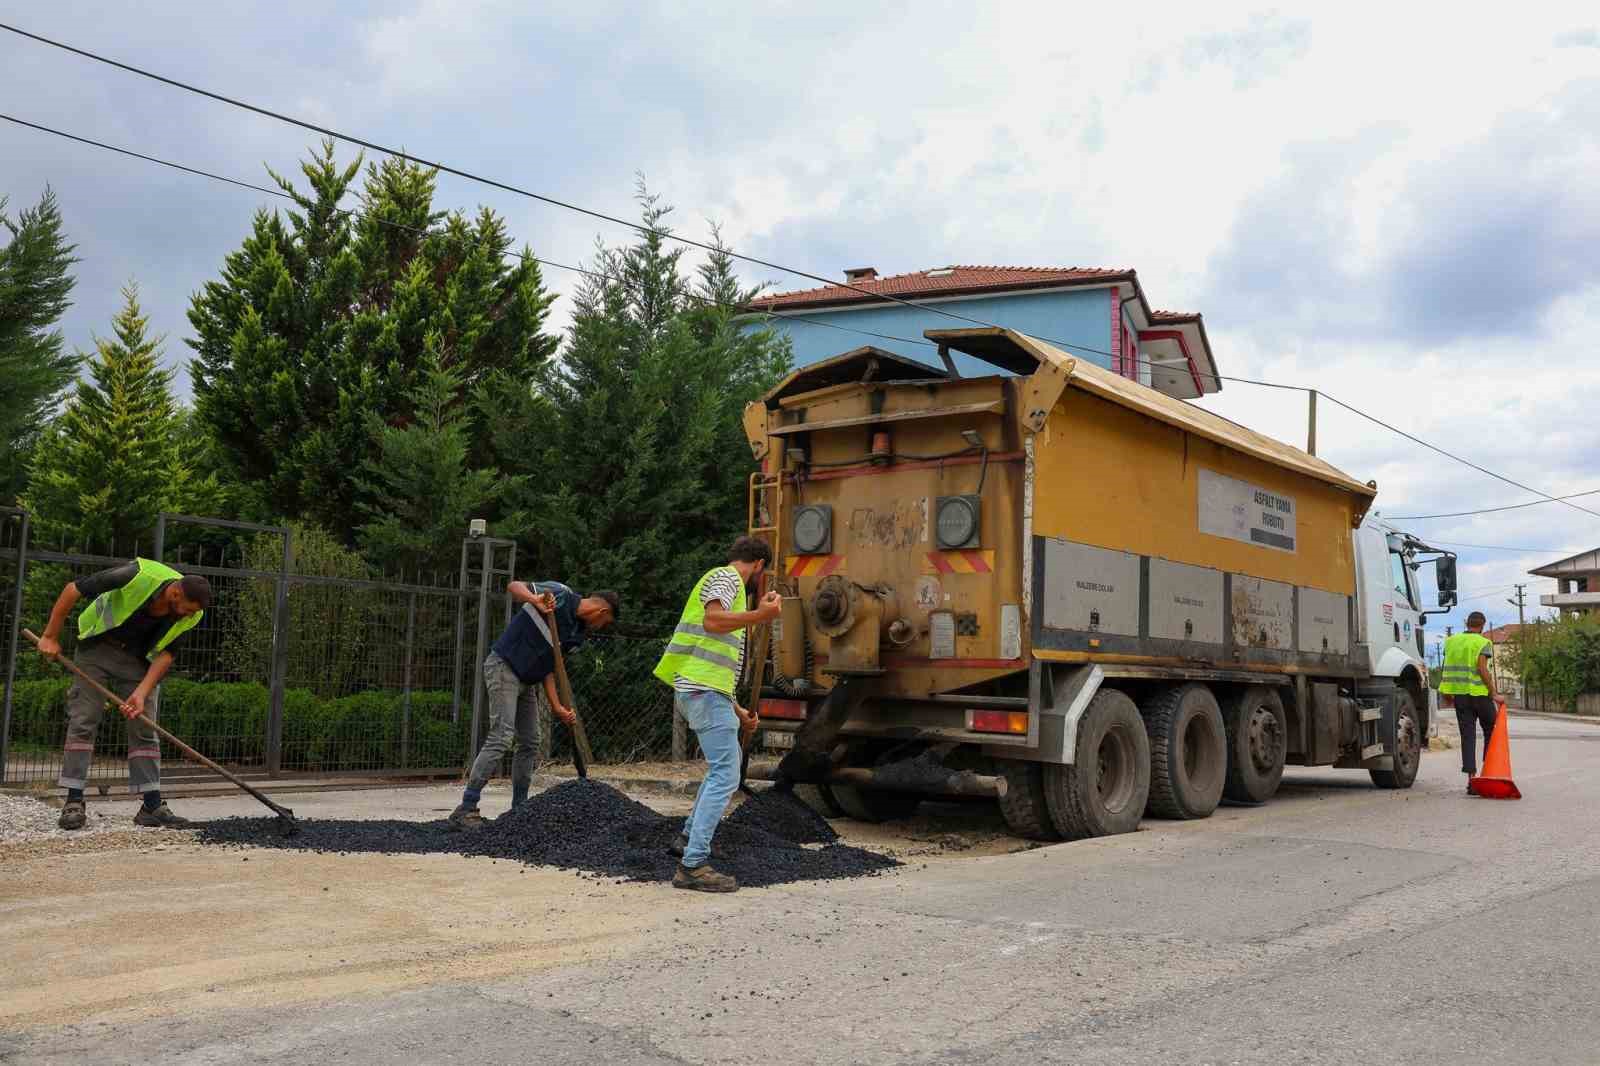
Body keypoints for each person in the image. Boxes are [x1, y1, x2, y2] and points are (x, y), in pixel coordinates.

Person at [35, 558, 211, 829]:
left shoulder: (194, 612)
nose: (189, 616)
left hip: (139, 662)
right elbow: (73, 589)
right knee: (84, 721)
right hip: (97, 649)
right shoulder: (138, 574)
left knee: (145, 728)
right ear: (175, 593)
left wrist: (141, 693)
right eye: (186, 610)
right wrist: (50, 636)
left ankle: (152, 806)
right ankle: (73, 801)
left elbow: (167, 654)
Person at [652, 535, 782, 893]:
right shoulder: (727, 579)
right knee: (726, 773)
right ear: (758, 565)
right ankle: (692, 865)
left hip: (706, 691)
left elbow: (712, 660)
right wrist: (761, 615)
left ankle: (687, 839)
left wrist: (738, 710)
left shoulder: (723, 580)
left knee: (721, 769)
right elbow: (713, 621)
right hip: (702, 691)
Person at [449, 580, 620, 828]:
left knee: (530, 741)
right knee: (502, 736)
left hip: (528, 680)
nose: (602, 627)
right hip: (504, 667)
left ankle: (519, 810)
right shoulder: (560, 595)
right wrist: (534, 599)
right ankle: (466, 807)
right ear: (602, 612)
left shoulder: (577, 633)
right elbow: (513, 585)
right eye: (606, 623)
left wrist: (557, 707)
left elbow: (550, 668)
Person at [1439, 611, 1499, 790]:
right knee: (1491, 731)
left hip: (1460, 697)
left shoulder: (1450, 642)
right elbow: (1482, 668)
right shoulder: (1483, 642)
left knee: (1468, 736)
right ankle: (1487, 774)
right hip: (1480, 695)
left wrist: (1446, 694)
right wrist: (1494, 693)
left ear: (1467, 623)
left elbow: (1446, 668)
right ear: (1482, 625)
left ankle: (1472, 781)